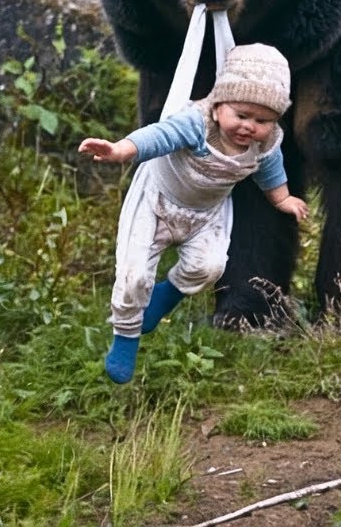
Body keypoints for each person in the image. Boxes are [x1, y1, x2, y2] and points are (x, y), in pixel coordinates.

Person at [79, 43, 308, 383]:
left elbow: (270, 169)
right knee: (134, 276)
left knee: (209, 267)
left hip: (205, 212)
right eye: (241, 115)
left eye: (261, 120)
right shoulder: (195, 123)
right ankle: (126, 336)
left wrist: (283, 199)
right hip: (157, 202)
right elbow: (157, 136)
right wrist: (120, 150)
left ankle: (164, 297)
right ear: (218, 108)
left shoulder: (266, 141)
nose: (248, 127)